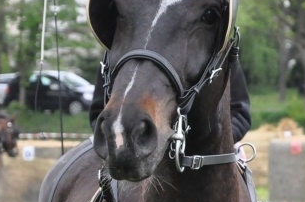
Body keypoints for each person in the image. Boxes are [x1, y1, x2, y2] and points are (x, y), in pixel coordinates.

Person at [88, 55, 252, 142]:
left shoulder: (217, 49)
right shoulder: (120, 47)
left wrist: (220, 143)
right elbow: (98, 114)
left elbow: (240, 114)